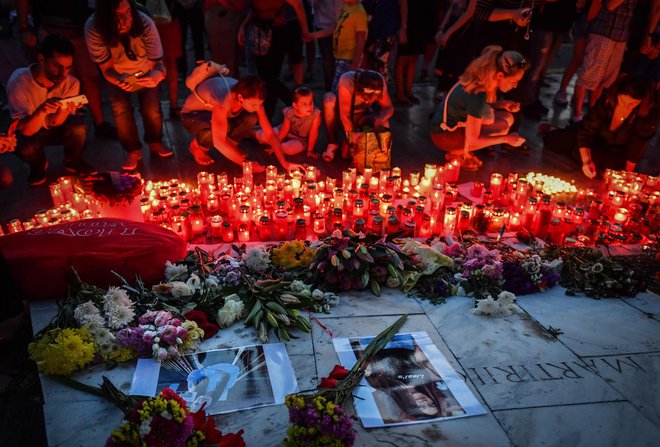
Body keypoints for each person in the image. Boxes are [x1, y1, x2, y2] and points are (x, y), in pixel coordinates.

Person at [85, 0, 173, 171]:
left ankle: (155, 142)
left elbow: (159, 64)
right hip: (117, 73)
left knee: (152, 109)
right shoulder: (94, 28)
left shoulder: (144, 22)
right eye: (118, 15)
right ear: (105, 15)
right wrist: (118, 79)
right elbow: (106, 69)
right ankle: (132, 150)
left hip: (146, 68)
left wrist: (157, 75)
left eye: (128, 12)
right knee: (121, 110)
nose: (125, 20)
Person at [16, 0, 117, 139]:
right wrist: (24, 28)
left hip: (81, 27)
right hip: (49, 25)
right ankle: (45, 125)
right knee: (53, 77)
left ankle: (97, 125)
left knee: (89, 79)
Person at [180, 72, 305, 172]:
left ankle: (232, 146)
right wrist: (247, 164)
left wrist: (284, 162)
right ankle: (197, 146)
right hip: (193, 116)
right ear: (240, 98)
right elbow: (219, 143)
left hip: (219, 114)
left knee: (251, 118)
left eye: (260, 104)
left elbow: (270, 133)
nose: (258, 107)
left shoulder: (252, 96)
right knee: (216, 130)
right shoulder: (223, 100)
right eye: (254, 104)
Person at [7, 34, 89, 186]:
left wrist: (63, 111)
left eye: (68, 68)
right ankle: (38, 164)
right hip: (30, 127)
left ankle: (72, 160)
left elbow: (54, 123)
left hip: (55, 126)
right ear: (42, 59)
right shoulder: (19, 81)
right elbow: (26, 130)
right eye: (57, 66)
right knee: (21, 145)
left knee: (79, 128)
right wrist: (41, 111)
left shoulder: (70, 83)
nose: (64, 74)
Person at [429, 46, 528, 171]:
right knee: (502, 127)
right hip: (444, 136)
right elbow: (473, 138)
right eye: (514, 81)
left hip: (445, 128)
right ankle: (457, 152)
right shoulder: (478, 94)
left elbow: (470, 108)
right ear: (499, 75)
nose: (515, 86)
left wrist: (501, 105)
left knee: (507, 117)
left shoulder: (477, 80)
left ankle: (460, 150)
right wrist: (506, 139)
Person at [544, 75, 659, 178]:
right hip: (594, 136)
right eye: (623, 101)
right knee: (554, 141)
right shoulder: (607, 101)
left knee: (605, 167)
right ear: (617, 95)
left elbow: (637, 145)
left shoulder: (647, 113)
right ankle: (556, 130)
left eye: (633, 104)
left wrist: (626, 174)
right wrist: (587, 160)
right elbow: (587, 130)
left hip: (616, 150)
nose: (627, 107)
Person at [237, 0, 311, 118]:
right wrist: (243, 26)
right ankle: (287, 105)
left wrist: (304, 30)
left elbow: (298, 5)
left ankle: (290, 104)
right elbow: (254, 10)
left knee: (270, 77)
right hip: (261, 28)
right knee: (267, 76)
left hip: (278, 30)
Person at [572, 0, 638, 122]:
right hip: (603, 32)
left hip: (621, 36)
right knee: (588, 76)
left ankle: (593, 112)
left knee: (604, 80)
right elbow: (610, 5)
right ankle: (577, 114)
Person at [322, 69, 394, 161]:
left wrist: (379, 120)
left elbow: (389, 108)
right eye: (364, 97)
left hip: (363, 115)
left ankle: (378, 153)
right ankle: (333, 144)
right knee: (329, 100)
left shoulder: (379, 82)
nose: (367, 101)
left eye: (372, 98)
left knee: (385, 123)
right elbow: (345, 115)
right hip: (341, 116)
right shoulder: (347, 80)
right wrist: (351, 140)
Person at [310, 0, 368, 93]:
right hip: (340, 57)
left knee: (341, 90)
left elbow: (361, 40)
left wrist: (354, 65)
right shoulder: (345, 7)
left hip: (348, 59)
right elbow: (335, 27)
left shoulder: (359, 13)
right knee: (337, 89)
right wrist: (313, 36)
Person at [256, 86, 322, 159]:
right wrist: (276, 145)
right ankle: (249, 132)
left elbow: (313, 132)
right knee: (262, 135)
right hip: (286, 133)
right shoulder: (289, 112)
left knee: (288, 149)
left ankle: (271, 143)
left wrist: (310, 150)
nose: (309, 107)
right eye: (304, 104)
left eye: (311, 103)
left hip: (301, 139)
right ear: (295, 105)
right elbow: (285, 129)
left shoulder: (315, 115)